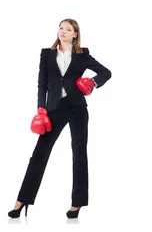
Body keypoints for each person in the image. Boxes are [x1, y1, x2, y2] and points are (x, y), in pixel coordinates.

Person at [7, 19, 112, 219]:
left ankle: (77, 204)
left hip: (77, 107)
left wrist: (92, 82)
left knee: (79, 153)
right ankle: (22, 201)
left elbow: (106, 72)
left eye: (68, 29)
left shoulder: (83, 55)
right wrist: (41, 108)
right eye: (61, 28)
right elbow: (42, 83)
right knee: (39, 154)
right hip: (54, 108)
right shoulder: (47, 54)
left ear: (75, 34)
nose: (62, 31)